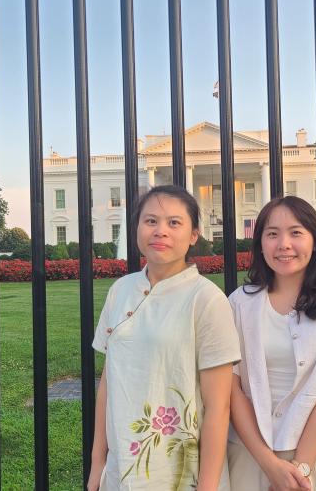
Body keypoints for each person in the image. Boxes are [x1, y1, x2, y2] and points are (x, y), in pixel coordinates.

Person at [86, 185, 241, 491]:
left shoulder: (206, 299)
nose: (161, 231)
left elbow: (218, 406)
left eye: (174, 223)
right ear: (137, 229)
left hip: (181, 473)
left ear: (193, 235)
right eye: (151, 221)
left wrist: (207, 487)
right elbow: (107, 384)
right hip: (122, 469)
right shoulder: (120, 290)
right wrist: (97, 464)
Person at [227, 195, 316, 491]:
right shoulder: (240, 303)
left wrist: (299, 469)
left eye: (296, 233)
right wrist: (269, 464)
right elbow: (232, 389)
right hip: (250, 452)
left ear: (314, 241)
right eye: (272, 234)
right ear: (261, 243)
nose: (284, 245)